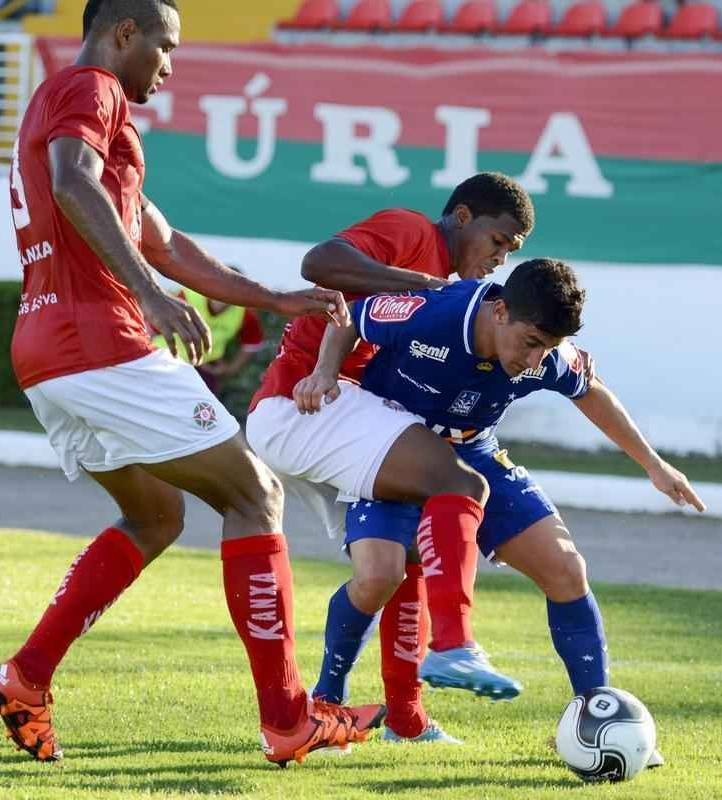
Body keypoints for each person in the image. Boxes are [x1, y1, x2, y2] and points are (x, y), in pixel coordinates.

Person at [0, 0, 385, 767]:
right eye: (164, 46)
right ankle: (288, 720)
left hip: (45, 355)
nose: (169, 65)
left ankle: (26, 678)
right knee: (253, 495)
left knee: (155, 516)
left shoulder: (86, 122)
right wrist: (148, 295)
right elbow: (72, 183)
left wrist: (272, 297)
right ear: (123, 33)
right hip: (100, 344)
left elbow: (166, 245)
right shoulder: (91, 88)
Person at [293, 258, 705, 762]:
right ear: (501, 310)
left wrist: (655, 467)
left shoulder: (547, 355)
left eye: (547, 348)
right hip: (392, 448)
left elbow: (590, 391)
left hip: (475, 454)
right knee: (379, 577)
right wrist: (324, 373)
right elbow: (352, 318)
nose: (535, 360)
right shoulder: (437, 314)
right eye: (530, 343)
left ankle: (598, 716)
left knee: (566, 568)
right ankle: (326, 705)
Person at [247, 173, 535, 743]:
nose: (500, 258)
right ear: (462, 217)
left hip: (338, 416)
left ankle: (377, 716)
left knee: (392, 566)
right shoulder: (411, 231)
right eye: (498, 241)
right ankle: (453, 646)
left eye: (511, 250)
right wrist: (420, 284)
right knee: (458, 486)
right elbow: (319, 262)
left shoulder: (457, 296)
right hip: (305, 406)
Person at [152, 268, 265, 397]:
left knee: (202, 407)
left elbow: (252, 343)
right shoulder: (187, 296)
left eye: (234, 289)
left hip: (205, 369)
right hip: (167, 359)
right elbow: (154, 326)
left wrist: (230, 369)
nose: (226, 293)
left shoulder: (244, 313)